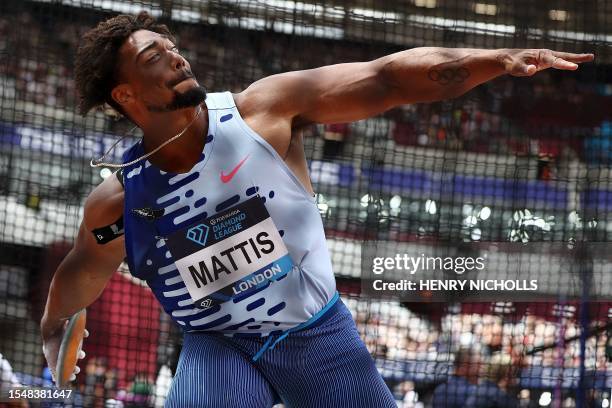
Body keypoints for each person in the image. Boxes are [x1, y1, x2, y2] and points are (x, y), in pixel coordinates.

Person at [40, 11, 593, 407]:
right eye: (152, 57)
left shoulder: (263, 112)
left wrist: (494, 59)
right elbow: (81, 271)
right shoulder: (119, 199)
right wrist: (53, 325)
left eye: (171, 46)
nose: (176, 56)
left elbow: (386, 77)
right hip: (218, 345)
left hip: (316, 335)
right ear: (126, 96)